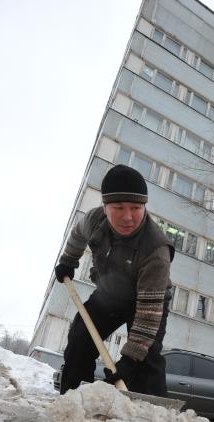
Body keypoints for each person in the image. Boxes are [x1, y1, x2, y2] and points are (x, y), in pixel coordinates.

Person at [54, 164, 175, 397]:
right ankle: (73, 398)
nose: (128, 216)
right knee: (80, 337)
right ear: (105, 206)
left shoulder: (156, 250)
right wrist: (69, 260)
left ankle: (151, 414)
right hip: (109, 294)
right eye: (119, 207)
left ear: (144, 206)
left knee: (145, 360)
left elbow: (148, 316)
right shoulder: (94, 221)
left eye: (136, 207)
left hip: (147, 303)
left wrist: (131, 358)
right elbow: (77, 235)